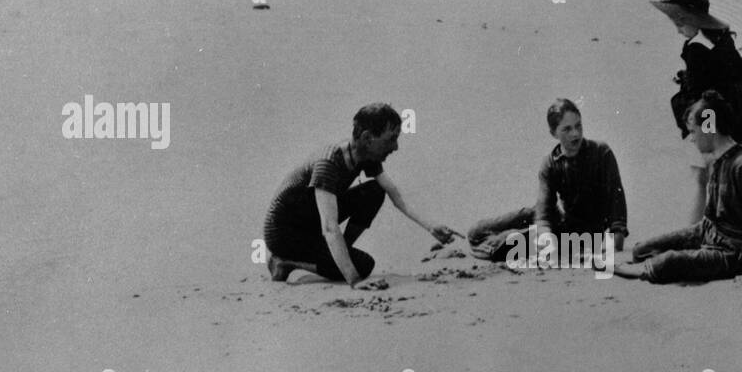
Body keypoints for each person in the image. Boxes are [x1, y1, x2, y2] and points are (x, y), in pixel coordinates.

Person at [262, 102, 459, 285]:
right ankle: (285, 261)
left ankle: (338, 255)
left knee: (374, 191)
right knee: (363, 266)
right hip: (283, 234)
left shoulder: (366, 156)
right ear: (367, 138)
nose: (396, 147)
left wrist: (431, 227)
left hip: (310, 223)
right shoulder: (328, 163)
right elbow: (329, 227)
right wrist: (354, 280)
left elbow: (396, 197)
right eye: (391, 139)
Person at [650, 0, 742, 223]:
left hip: (731, 121)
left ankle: (696, 232)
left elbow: (706, 100)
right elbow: (726, 79)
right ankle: (735, 232)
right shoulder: (719, 37)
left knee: (705, 176)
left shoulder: (696, 49)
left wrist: (709, 140)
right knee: (738, 183)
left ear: (691, 20)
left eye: (679, 22)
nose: (677, 28)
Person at [614, 91, 742, 285]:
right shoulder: (717, 159)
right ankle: (648, 263)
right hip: (708, 233)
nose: (692, 139)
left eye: (694, 131)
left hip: (733, 251)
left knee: (668, 262)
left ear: (709, 126)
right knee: (641, 250)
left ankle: (644, 269)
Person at [467, 98, 628, 264]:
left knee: (506, 245)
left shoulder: (601, 153)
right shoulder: (550, 163)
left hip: (581, 238)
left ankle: (489, 247)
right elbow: (543, 212)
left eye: (578, 126)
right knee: (476, 232)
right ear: (554, 133)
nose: (576, 133)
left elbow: (618, 204)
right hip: (557, 222)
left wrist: (617, 245)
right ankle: (485, 243)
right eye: (567, 129)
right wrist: (545, 235)